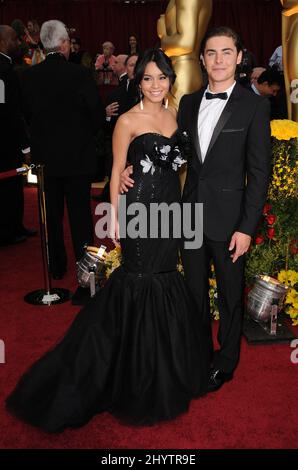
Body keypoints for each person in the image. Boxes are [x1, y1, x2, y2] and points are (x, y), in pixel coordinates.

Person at [6, 48, 209, 433]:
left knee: (164, 277)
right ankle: (129, 373)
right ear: (138, 81)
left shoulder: (176, 115)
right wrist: (115, 218)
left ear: (171, 80)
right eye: (147, 78)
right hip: (139, 212)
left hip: (170, 212)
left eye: (161, 77)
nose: (154, 85)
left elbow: (180, 167)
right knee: (139, 280)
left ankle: (166, 368)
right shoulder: (128, 121)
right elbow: (116, 171)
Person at [121, 28, 271, 393]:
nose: (218, 60)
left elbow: (260, 172)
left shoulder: (255, 106)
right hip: (188, 216)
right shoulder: (186, 103)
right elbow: (168, 152)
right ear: (202, 59)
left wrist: (246, 227)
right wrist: (131, 166)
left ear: (239, 57)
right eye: (211, 53)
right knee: (193, 294)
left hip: (230, 220)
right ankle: (200, 354)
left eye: (225, 52)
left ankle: (227, 359)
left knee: (229, 295)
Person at [18, 20, 105, 283]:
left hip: (47, 161)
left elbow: (25, 116)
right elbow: (97, 117)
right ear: (65, 43)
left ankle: (55, 267)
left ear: (44, 45)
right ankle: (87, 271)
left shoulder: (28, 76)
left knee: (51, 218)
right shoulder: (80, 74)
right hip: (78, 158)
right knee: (80, 217)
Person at [0, 25, 36, 246]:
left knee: (11, 186)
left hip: (5, 138)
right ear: (3, 42)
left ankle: (14, 226)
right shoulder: (5, 71)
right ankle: (9, 230)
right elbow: (12, 112)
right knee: (9, 187)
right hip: (6, 141)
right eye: (14, 39)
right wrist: (26, 147)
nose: (18, 43)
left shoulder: (7, 67)